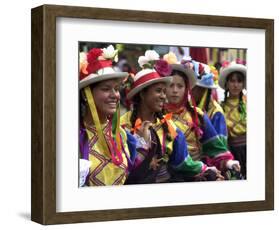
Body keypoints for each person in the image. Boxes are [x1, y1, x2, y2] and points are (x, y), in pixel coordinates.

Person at [121, 50, 221, 184]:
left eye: (164, 91)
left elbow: (183, 162)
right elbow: (120, 168)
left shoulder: (170, 128)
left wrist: (206, 169)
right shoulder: (122, 126)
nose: (164, 96)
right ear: (142, 94)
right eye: (158, 91)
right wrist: (141, 145)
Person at [163, 52, 240, 177]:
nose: (175, 90)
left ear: (187, 89)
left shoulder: (197, 114)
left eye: (180, 86)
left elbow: (215, 148)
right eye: (171, 85)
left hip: (197, 175)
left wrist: (228, 162)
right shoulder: (157, 116)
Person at [79, 45, 138, 186]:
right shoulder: (74, 138)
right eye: (106, 89)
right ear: (86, 94)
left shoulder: (121, 134)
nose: (115, 95)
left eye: (116, 89)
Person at [219, 61, 247, 178]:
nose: (236, 85)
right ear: (227, 84)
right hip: (231, 152)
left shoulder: (248, 103)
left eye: (239, 81)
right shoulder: (220, 107)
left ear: (243, 84)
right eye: (232, 81)